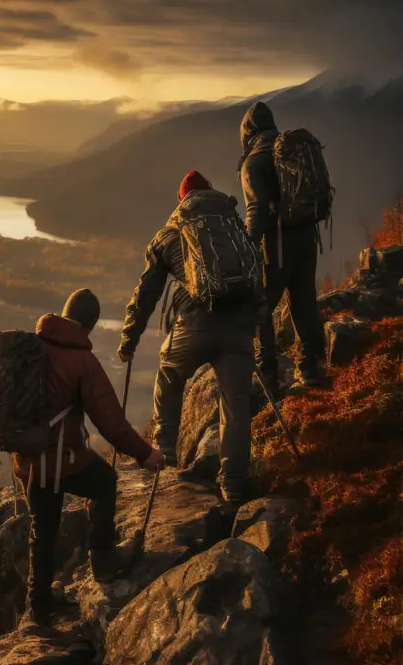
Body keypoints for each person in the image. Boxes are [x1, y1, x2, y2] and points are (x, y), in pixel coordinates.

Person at [13, 288, 163, 627]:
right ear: (91, 325)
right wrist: (146, 455)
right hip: (63, 460)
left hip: (29, 460)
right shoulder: (82, 361)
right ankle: (104, 560)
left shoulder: (31, 348)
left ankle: (38, 607)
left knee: (43, 527)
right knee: (104, 482)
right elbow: (110, 423)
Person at [118, 171, 264, 509]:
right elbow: (257, 276)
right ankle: (234, 487)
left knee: (169, 374)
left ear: (181, 199)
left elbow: (146, 295)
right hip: (239, 330)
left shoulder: (172, 233)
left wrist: (129, 338)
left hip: (194, 329)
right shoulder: (234, 227)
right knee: (236, 407)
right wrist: (258, 323)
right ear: (210, 194)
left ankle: (165, 453)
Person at [239, 100, 325, 395]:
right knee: (303, 303)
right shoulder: (289, 151)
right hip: (307, 236)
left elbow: (257, 212)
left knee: (259, 309)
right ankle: (310, 369)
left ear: (247, 132)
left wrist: (246, 247)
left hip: (276, 245)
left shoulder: (254, 162)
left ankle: (268, 380)